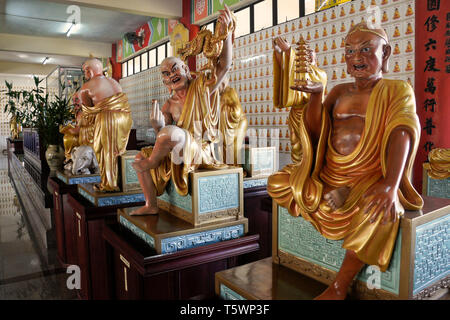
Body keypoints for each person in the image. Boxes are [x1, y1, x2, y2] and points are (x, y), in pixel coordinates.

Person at [268, 22, 423, 299]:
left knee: (381, 211)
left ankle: (339, 286)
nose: (357, 57)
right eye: (350, 51)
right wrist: (316, 96)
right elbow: (316, 131)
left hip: (370, 176)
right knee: (278, 182)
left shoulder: (397, 90)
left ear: (385, 53)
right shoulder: (339, 92)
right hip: (330, 173)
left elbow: (403, 133)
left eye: (365, 49)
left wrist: (390, 184)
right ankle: (337, 192)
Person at [130, 5, 235, 215]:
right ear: (165, 81)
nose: (171, 75)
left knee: (162, 142)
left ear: (186, 69)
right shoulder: (168, 104)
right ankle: (151, 205)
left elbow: (224, 65)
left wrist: (228, 34)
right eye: (166, 74)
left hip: (199, 148)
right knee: (139, 157)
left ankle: (152, 163)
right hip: (177, 149)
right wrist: (157, 125)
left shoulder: (202, 87)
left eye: (175, 68)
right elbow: (164, 134)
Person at [78, 58, 133, 192]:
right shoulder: (114, 82)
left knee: (103, 150)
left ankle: (110, 184)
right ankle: (121, 180)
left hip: (107, 118)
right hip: (125, 117)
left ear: (90, 71)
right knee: (117, 150)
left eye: (86, 70)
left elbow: (88, 112)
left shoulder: (86, 87)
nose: (85, 74)